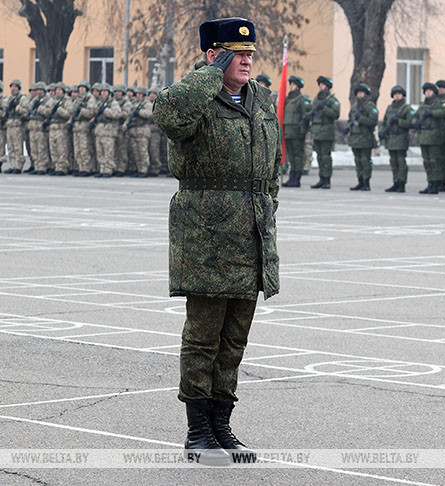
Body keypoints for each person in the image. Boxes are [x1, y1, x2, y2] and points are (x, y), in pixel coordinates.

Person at [153, 17, 280, 466]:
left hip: (251, 236)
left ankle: (223, 424)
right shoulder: (195, 99)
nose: (246, 60)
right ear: (214, 55)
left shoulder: (261, 99)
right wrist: (208, 74)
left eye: (249, 54)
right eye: (235, 53)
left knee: (234, 339)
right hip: (207, 236)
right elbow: (167, 114)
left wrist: (267, 208)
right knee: (203, 337)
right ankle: (198, 431)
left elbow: (272, 165)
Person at [414, 82, 445, 194]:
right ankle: (430, 183)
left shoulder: (439, 103)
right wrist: (415, 123)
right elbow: (415, 117)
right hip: (424, 137)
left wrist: (432, 113)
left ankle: (436, 184)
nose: (427, 93)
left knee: (435, 161)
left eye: (430, 91)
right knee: (427, 162)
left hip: (434, 137)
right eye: (426, 91)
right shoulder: (422, 106)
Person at [308, 76, 340, 189]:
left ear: (327, 86)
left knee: (326, 157)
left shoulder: (331, 100)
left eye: (323, 85)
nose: (321, 86)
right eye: (320, 84)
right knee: (320, 157)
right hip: (317, 131)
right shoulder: (317, 99)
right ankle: (321, 178)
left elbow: (336, 113)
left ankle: (327, 179)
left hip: (326, 132)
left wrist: (324, 109)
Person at [381, 85, 415, 193]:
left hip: (401, 137)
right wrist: (383, 131)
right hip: (391, 137)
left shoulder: (407, 108)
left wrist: (399, 122)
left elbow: (411, 123)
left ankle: (402, 183)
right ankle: (395, 182)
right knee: (393, 162)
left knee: (401, 161)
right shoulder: (389, 108)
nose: (397, 96)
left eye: (399, 94)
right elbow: (385, 122)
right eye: (395, 94)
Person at [346, 83, 379, 191]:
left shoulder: (370, 106)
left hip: (365, 137)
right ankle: (360, 181)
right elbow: (350, 119)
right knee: (358, 160)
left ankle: (366, 182)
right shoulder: (354, 107)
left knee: (365, 160)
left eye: (362, 93)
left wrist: (361, 118)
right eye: (358, 93)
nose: (360, 95)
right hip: (355, 137)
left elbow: (373, 122)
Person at [280, 75, 310, 188]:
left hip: (297, 133)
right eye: (291, 84)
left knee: (298, 156)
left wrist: (303, 132)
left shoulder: (300, 100)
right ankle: (292, 177)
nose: (291, 86)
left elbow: (304, 117)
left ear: (297, 87)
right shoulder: (287, 99)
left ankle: (297, 177)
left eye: (293, 85)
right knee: (291, 156)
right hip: (288, 132)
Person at [93, 84, 124, 177]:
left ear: (109, 93)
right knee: (100, 152)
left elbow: (117, 114)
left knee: (108, 152)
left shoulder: (113, 103)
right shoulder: (98, 103)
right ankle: (102, 169)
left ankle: (108, 169)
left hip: (108, 131)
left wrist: (106, 111)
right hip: (99, 131)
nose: (103, 93)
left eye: (105, 92)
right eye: (102, 92)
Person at [126, 86, 155, 177]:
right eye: (137, 94)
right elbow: (129, 116)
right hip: (134, 130)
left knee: (142, 151)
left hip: (142, 130)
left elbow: (150, 114)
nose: (138, 95)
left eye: (140, 94)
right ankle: (139, 169)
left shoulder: (147, 104)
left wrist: (139, 112)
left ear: (143, 95)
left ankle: (144, 169)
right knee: (136, 152)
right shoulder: (135, 104)